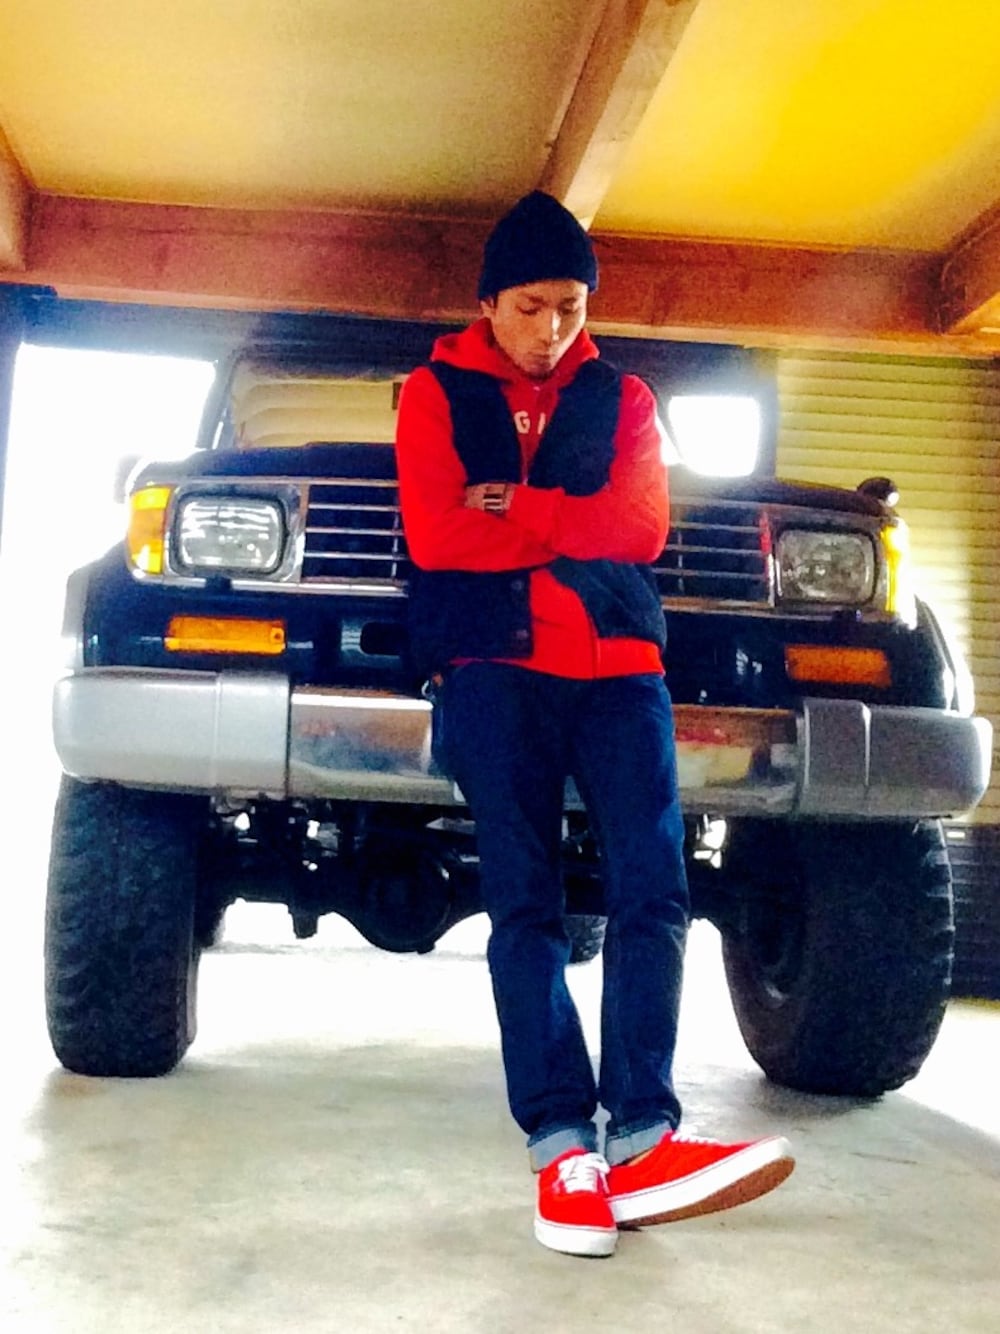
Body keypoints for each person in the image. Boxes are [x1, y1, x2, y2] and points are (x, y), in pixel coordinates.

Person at [394, 190, 794, 1258]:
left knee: (654, 888)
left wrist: (514, 505)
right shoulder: (433, 391)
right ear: (490, 302)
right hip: (492, 667)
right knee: (521, 901)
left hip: (621, 669)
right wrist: (571, 526)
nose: (551, 328)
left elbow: (642, 527)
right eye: (531, 306)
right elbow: (435, 536)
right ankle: (562, 1146)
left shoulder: (623, 396)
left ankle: (644, 1137)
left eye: (570, 307)